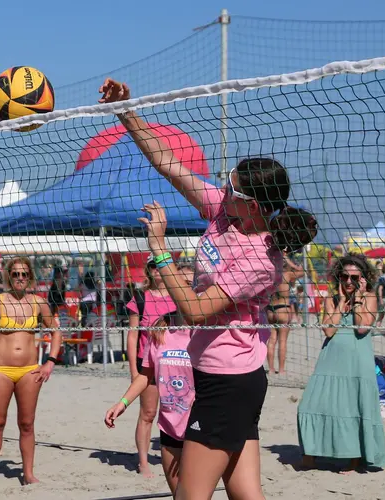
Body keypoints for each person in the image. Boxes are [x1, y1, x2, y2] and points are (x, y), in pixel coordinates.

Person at [99, 78, 318, 499]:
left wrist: (160, 249)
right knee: (245, 494)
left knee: (186, 491)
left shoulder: (261, 259)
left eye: (231, 186)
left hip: (228, 381)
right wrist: (125, 111)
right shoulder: (223, 209)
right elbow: (167, 162)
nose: (223, 187)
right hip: (220, 375)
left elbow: (197, 311)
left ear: (252, 204)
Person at [0, 257, 62, 492]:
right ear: (8, 277)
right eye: (15, 274)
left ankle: (28, 474)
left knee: (27, 424)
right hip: (0, 370)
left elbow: (56, 332)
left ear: (30, 277)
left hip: (30, 370)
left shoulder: (39, 302)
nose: (20, 278)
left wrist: (50, 362)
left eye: (23, 274)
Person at [297, 253, 385, 472]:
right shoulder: (331, 298)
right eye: (345, 277)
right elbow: (329, 330)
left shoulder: (371, 297)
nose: (348, 282)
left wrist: (357, 298)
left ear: (363, 279)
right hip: (330, 360)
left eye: (354, 278)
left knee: (352, 408)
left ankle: (353, 458)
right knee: (309, 405)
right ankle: (311, 453)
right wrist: (341, 302)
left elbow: (362, 327)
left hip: (357, 362)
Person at [105, 309, 194, 495]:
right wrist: (122, 403)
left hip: (199, 424)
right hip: (170, 424)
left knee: (194, 493)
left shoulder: (206, 330)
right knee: (178, 494)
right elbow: (145, 375)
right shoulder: (160, 331)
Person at [125, 255, 177, 478]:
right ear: (148, 270)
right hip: (148, 366)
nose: (157, 270)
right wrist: (134, 371)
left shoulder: (179, 297)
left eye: (160, 265)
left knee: (176, 411)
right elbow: (132, 336)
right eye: (153, 266)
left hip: (174, 363)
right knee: (147, 413)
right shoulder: (140, 298)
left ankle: (178, 457)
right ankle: (143, 462)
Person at [266, 254, 304, 375]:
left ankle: (271, 369)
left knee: (271, 341)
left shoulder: (269, 275)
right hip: (283, 309)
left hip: (270, 310)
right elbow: (302, 271)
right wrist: (288, 259)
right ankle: (281, 370)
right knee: (282, 341)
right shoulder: (287, 275)